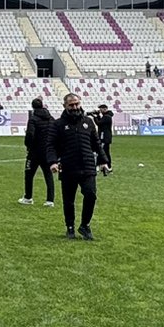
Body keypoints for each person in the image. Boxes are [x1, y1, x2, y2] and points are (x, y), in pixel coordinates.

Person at [45, 92, 109, 240]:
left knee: (91, 195)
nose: (75, 107)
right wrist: (53, 162)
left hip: (87, 166)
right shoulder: (58, 124)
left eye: (77, 104)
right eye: (71, 105)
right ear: (65, 106)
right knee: (69, 200)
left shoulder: (88, 122)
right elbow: (50, 145)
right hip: (68, 166)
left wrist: (103, 161)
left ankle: (85, 225)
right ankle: (70, 227)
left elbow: (96, 144)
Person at [21, 95, 56, 207]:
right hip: (47, 151)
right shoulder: (51, 118)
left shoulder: (33, 119)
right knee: (48, 175)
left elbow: (30, 134)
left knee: (29, 174)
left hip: (35, 152)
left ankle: (28, 197)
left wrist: (28, 146)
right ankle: (50, 200)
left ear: (33, 107)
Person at [94, 104, 115, 172]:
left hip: (104, 137)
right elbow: (101, 123)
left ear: (105, 109)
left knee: (102, 152)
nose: (100, 110)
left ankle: (102, 166)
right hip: (106, 137)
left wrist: (95, 117)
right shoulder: (106, 116)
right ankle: (107, 166)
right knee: (105, 152)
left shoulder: (107, 117)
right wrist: (97, 116)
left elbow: (99, 123)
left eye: (101, 109)